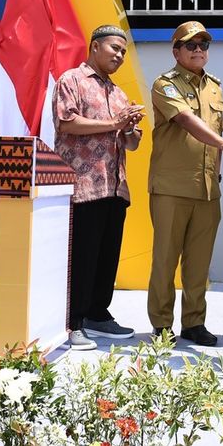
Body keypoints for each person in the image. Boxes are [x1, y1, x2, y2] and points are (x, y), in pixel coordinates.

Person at [53, 24, 145, 350]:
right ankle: (73, 322)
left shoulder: (118, 93)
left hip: (115, 184)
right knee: (82, 256)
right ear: (94, 47)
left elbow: (130, 144)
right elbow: (67, 123)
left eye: (123, 51)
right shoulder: (71, 81)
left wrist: (131, 128)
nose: (119, 56)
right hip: (83, 184)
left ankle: (97, 313)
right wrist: (115, 124)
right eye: (114, 49)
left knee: (107, 255)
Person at [147, 21, 223, 345]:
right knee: (165, 260)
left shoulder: (215, 86)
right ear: (176, 51)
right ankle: (161, 325)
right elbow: (186, 120)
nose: (198, 50)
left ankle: (194, 323)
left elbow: (218, 134)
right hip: (172, 186)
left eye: (203, 45)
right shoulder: (164, 84)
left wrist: (219, 170)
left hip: (208, 188)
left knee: (199, 263)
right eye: (191, 45)